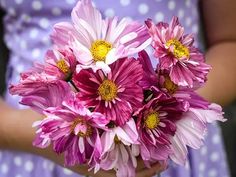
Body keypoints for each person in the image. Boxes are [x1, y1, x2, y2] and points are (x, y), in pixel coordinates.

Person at [0, 0, 235, 176]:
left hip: (170, 139)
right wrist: (53, 138)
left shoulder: (171, 117)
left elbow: (229, 42)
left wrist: (177, 107)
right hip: (37, 146)